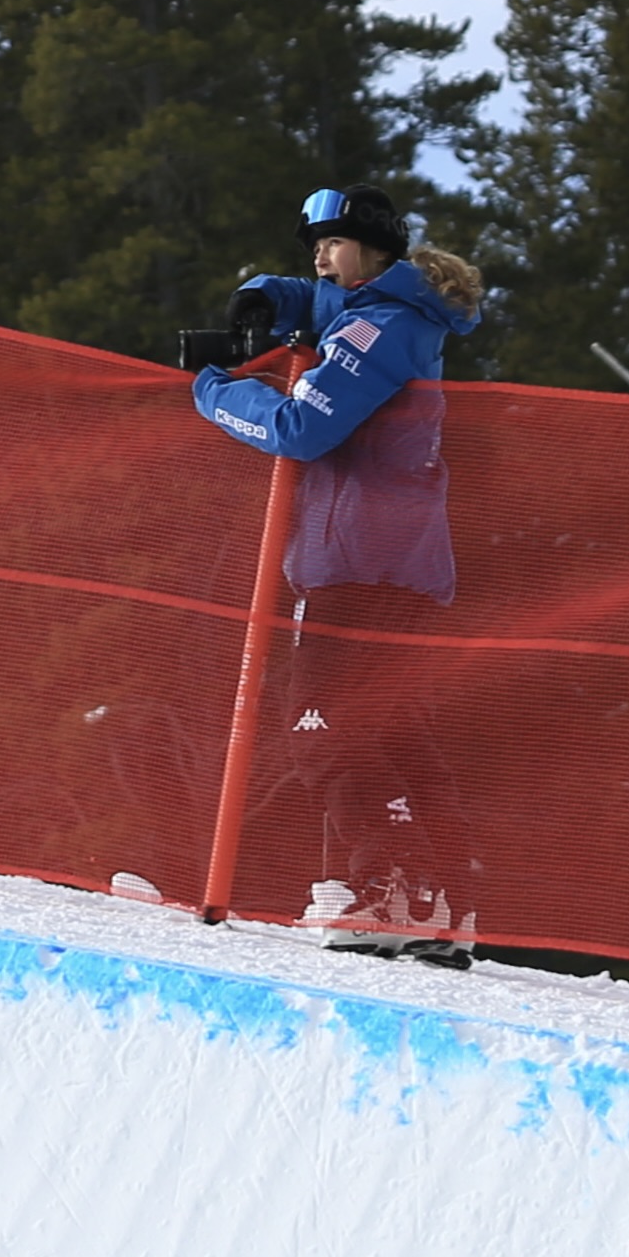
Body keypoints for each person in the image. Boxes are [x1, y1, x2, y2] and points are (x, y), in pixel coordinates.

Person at [191, 185, 485, 949]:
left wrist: (215, 390)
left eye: (333, 242)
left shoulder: (376, 332)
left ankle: (386, 886)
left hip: (362, 564)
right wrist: (260, 298)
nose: (319, 258)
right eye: (314, 246)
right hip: (396, 562)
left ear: (374, 249)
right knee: (394, 729)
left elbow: (298, 429)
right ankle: (441, 903)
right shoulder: (385, 312)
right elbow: (315, 302)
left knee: (322, 729)